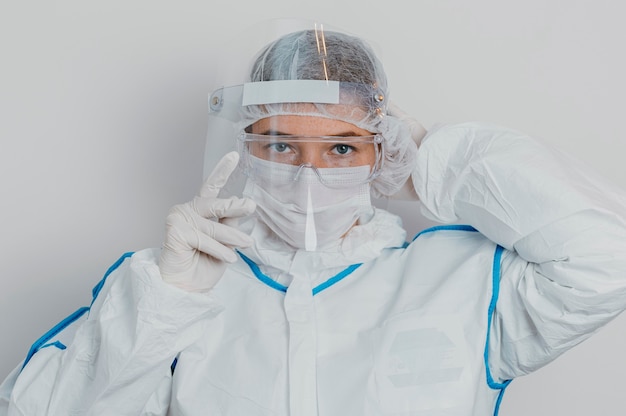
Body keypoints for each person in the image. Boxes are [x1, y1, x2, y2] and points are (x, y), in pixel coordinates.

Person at [2, 20, 626, 416]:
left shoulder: (463, 280)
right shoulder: (173, 288)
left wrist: (435, 158)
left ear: (382, 150)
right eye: (280, 146)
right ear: (243, 150)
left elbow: (606, 258)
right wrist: (165, 305)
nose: (309, 174)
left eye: (341, 148)